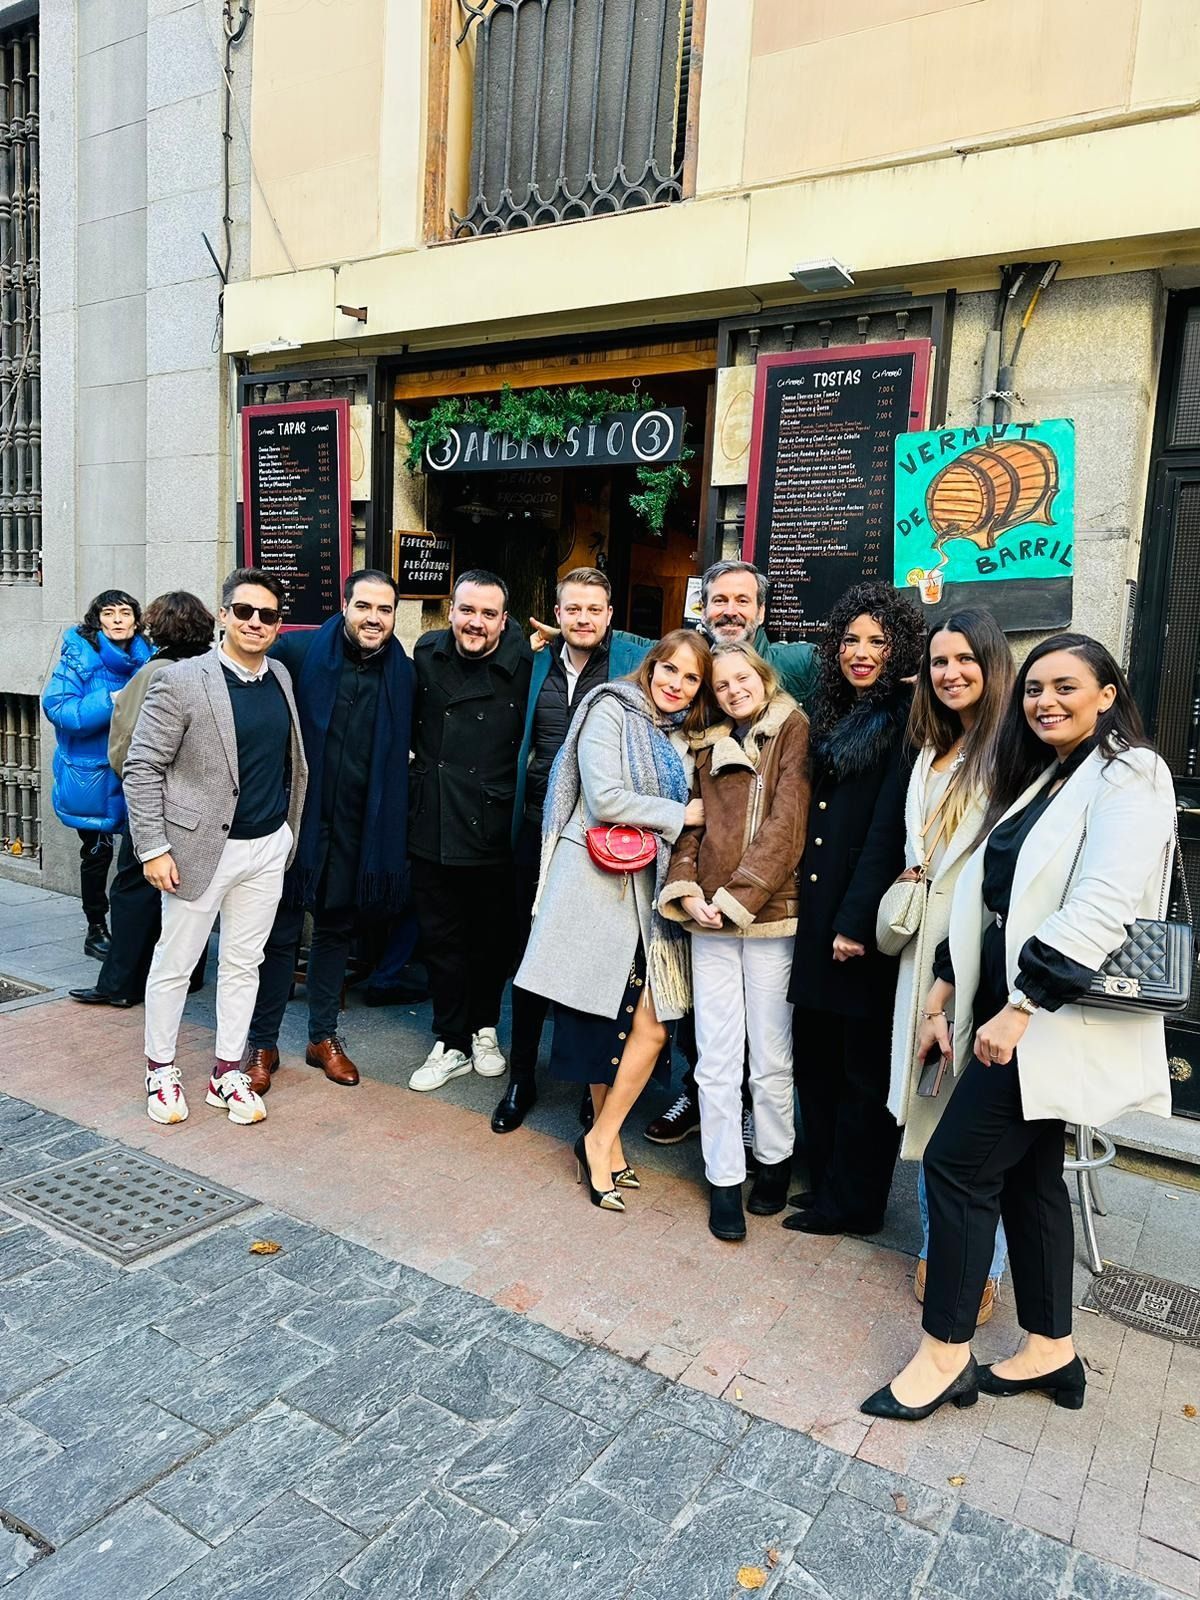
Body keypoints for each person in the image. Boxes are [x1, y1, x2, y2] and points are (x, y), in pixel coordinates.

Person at [863, 635, 1176, 1423]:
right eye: (1034, 688)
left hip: (1042, 1015)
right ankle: (1050, 1349)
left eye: (1066, 686)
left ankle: (944, 1356)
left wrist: (1021, 1007)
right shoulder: (1047, 773)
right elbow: (983, 892)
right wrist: (943, 995)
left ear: (1108, 693)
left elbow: (1103, 904)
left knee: (956, 1166)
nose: (1045, 701)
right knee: (1032, 1177)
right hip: (1004, 1005)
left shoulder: (1130, 772)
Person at [532, 558, 820, 1148]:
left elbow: (787, 816)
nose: (730, 610)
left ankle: (756, 1139)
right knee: (658, 1018)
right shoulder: (668, 717)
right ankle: (622, 1126)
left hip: (754, 898)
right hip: (651, 887)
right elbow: (637, 798)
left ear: (762, 613)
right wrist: (685, 832)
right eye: (718, 600)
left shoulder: (787, 690)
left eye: (743, 600)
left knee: (753, 1038)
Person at [515, 629, 711, 1212]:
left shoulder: (683, 737)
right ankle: (607, 1146)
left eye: (690, 677)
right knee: (604, 1022)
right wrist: (682, 813)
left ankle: (599, 1137)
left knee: (651, 1025)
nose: (675, 683)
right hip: (601, 887)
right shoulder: (611, 709)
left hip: (653, 897)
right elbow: (604, 799)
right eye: (668, 670)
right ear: (650, 667)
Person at [123, 568, 307, 1128]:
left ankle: (227, 1073)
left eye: (267, 615)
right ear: (223, 615)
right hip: (198, 852)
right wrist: (152, 847)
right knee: (175, 965)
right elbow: (142, 766)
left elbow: (286, 759)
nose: (255, 622)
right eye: (244, 611)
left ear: (278, 625)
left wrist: (286, 835)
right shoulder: (182, 680)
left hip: (266, 847)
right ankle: (161, 1070)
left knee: (243, 964)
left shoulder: (279, 675)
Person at [883, 610, 1014, 1324]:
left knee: (961, 1113)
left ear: (993, 666)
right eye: (938, 661)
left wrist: (949, 982)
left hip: (971, 951)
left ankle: (975, 1261)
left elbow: (992, 880)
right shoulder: (934, 747)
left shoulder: (1006, 755)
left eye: (965, 659)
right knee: (932, 1097)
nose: (951, 672)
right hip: (922, 946)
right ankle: (946, 1246)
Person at [785, 581, 924, 1237]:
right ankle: (827, 1186)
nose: (861, 652)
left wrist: (853, 922)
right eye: (851, 640)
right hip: (817, 910)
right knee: (815, 1058)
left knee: (859, 1073)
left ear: (900, 648)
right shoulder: (834, 708)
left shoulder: (904, 721)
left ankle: (856, 1203)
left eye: (877, 640)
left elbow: (887, 833)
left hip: (853, 921)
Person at [241, 570, 413, 1095]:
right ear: (344, 605)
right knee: (282, 934)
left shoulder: (403, 672)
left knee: (336, 931)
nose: (374, 618)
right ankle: (263, 1041)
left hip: (359, 825)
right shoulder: (297, 653)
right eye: (364, 606)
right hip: (298, 821)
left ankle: (322, 1038)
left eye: (384, 610)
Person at [660, 642, 810, 1241]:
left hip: (770, 916)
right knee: (716, 1057)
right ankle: (722, 1176)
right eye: (720, 685)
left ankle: (774, 1161)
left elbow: (788, 824)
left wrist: (737, 897)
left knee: (771, 1055)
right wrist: (686, 887)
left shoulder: (793, 729)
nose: (733, 690)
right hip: (708, 919)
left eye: (741, 678)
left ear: (762, 676)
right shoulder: (704, 745)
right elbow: (691, 827)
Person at [492, 566, 646, 1133]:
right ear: (557, 615)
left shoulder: (630, 668)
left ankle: (590, 1085)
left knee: (594, 965)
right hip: (536, 833)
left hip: (601, 843)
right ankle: (521, 1077)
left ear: (609, 615)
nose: (583, 619)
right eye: (573, 609)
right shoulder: (535, 665)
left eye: (594, 610)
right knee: (532, 962)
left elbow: (696, 646)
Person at [407, 570, 533, 1092]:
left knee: (490, 941)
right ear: (450, 610)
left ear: (505, 620)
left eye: (487, 614)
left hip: (494, 822)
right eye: (466, 611)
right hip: (431, 817)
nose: (474, 623)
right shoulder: (425, 653)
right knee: (440, 938)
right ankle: (450, 1039)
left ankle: (484, 1028)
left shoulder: (528, 664)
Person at [69, 591, 217, 1009]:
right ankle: (190, 976)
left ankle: (118, 984)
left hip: (157, 803)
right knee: (189, 890)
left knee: (132, 890)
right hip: (202, 806)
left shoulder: (154, 673)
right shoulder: (212, 668)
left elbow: (126, 741)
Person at [42, 590, 153, 957]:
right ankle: (95, 928)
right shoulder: (78, 659)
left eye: (125, 612)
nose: (118, 619)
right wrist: (112, 700)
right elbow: (61, 710)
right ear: (98, 620)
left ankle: (135, 931)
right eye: (109, 613)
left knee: (141, 855)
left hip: (135, 772)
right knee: (96, 854)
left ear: (137, 621)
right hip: (90, 775)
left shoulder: (147, 659)